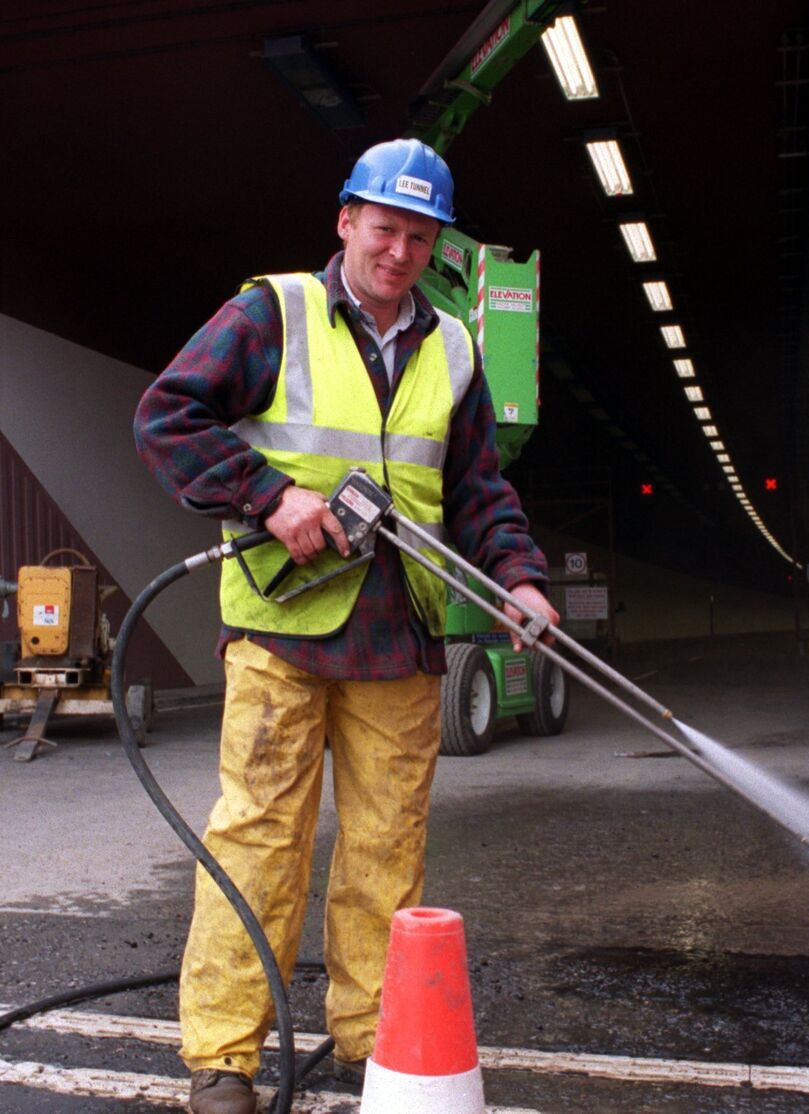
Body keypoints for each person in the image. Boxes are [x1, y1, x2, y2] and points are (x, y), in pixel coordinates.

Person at [133, 138, 557, 1114]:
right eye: (385, 227)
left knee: (385, 852)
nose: (399, 251)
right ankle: (225, 1059)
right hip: (281, 632)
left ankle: (378, 1041)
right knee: (257, 843)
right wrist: (267, 495)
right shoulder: (271, 313)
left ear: (436, 243)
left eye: (419, 235)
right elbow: (166, 416)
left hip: (398, 641)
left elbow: (479, 489)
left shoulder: (452, 347)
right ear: (346, 220)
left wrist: (521, 580)